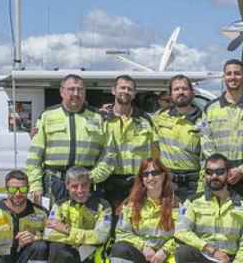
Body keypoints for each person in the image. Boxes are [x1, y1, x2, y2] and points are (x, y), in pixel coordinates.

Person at [106, 158, 179, 263]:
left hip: (160, 261)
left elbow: (183, 235)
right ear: (141, 178)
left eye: (155, 173)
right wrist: (143, 246)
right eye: (145, 174)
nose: (150, 177)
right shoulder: (131, 204)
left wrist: (164, 251)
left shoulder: (176, 204)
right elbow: (122, 233)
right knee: (120, 248)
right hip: (138, 259)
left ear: (164, 176)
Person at [26, 74, 111, 205]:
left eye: (80, 89)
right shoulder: (47, 116)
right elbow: (34, 156)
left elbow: (109, 154)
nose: (76, 93)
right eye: (71, 89)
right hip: (55, 184)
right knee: (54, 223)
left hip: (85, 185)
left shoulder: (98, 118)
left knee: (85, 223)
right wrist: (35, 185)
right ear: (61, 91)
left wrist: (93, 177)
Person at [42, 166, 114, 263]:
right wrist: (82, 239)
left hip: (92, 262)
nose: (80, 190)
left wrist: (67, 230)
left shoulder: (103, 206)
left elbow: (100, 237)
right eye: (75, 186)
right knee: (56, 248)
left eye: (84, 185)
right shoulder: (59, 205)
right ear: (67, 186)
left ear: (90, 185)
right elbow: (50, 234)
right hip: (68, 257)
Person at [200, 59, 243, 204]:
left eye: (237, 73)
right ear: (224, 77)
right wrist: (219, 171)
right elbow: (206, 141)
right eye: (229, 73)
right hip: (217, 178)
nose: (233, 77)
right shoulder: (210, 108)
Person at [101, 75, 158, 208]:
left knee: (137, 223)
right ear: (113, 90)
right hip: (109, 183)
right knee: (111, 224)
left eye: (129, 89)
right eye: (122, 88)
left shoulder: (146, 120)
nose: (126, 91)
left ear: (134, 94)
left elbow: (155, 153)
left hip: (138, 182)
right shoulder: (101, 119)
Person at [153, 74, 203, 202]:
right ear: (171, 94)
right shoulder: (159, 117)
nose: (180, 92)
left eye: (184, 89)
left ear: (192, 93)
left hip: (193, 183)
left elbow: (207, 155)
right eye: (176, 89)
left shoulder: (203, 120)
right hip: (167, 181)